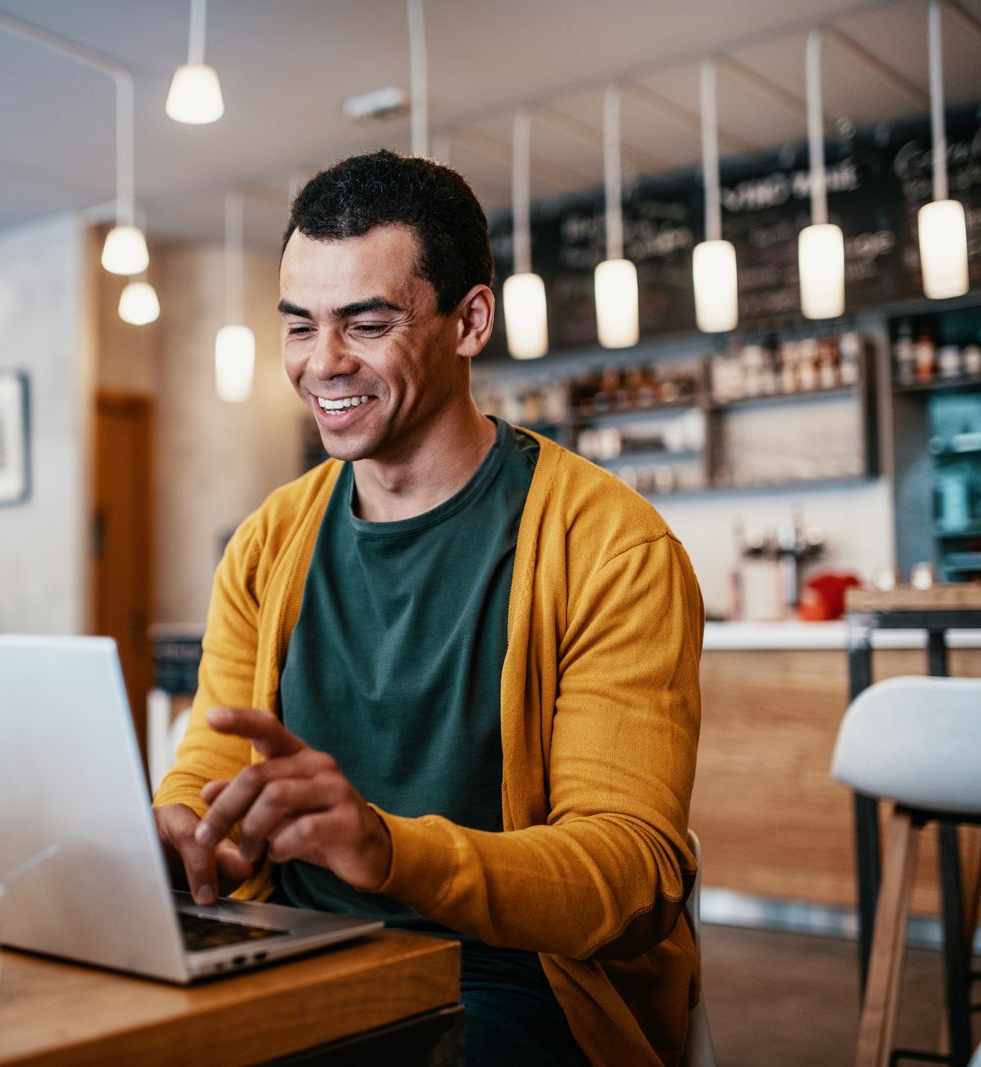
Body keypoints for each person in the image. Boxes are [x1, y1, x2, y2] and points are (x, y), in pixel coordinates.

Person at [152, 150, 703, 1066]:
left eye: (364, 324)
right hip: (287, 946)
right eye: (300, 326)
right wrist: (186, 829)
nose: (321, 364)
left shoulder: (611, 544)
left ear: (469, 320)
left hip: (512, 978)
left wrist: (390, 849)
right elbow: (210, 768)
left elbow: (632, 873)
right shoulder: (266, 543)